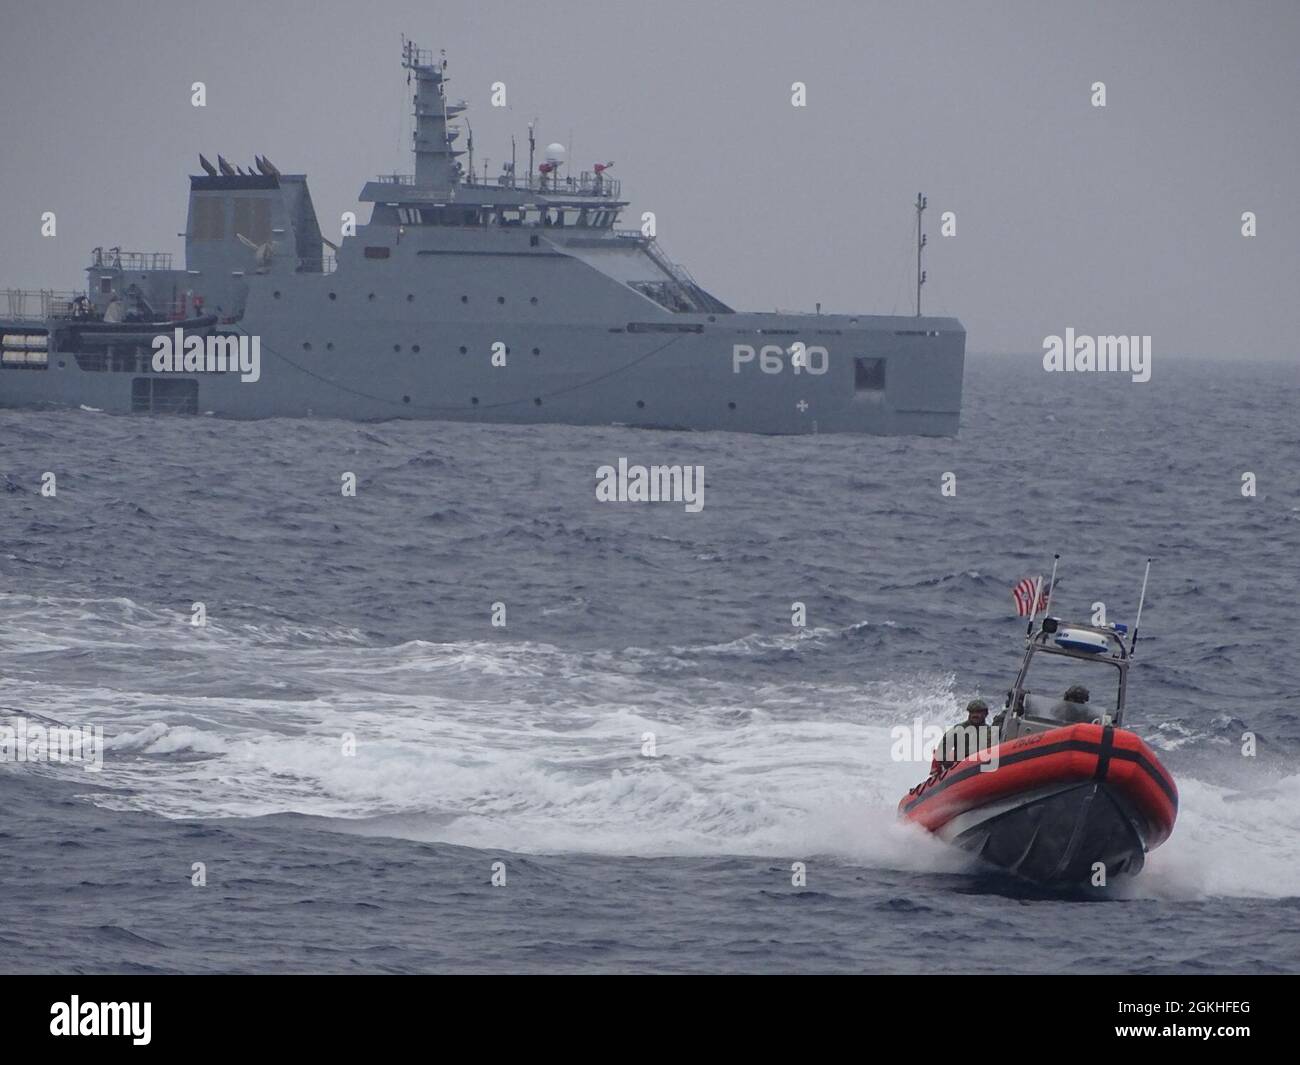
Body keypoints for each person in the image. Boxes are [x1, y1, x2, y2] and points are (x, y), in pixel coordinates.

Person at [934, 699, 993, 771]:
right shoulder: (959, 729)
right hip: (961, 767)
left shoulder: (990, 731)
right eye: (972, 712)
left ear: (985, 713)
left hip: (982, 766)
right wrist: (946, 761)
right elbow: (943, 747)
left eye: (978, 712)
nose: (975, 715)